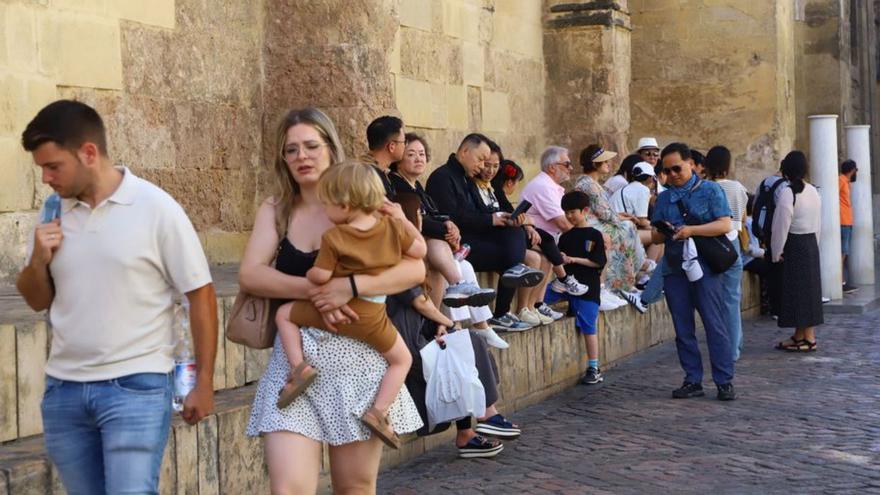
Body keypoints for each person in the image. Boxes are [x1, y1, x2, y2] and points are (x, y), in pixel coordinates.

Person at [16, 100, 217, 493]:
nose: (45, 178)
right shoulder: (51, 213)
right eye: (41, 168)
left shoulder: (156, 207)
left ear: (88, 153)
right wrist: (38, 261)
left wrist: (205, 381)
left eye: (53, 166)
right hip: (64, 391)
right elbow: (37, 299)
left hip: (136, 388)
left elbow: (202, 294)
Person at [243, 108, 424, 494]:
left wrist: (351, 286)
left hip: (358, 358)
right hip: (297, 362)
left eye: (311, 145)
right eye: (291, 150)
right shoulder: (277, 209)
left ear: (330, 148)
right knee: (288, 488)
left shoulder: (361, 199)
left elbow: (416, 270)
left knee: (354, 487)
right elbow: (251, 274)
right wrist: (315, 292)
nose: (301, 157)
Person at [273, 162, 425, 450]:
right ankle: (378, 412)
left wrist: (314, 276)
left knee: (284, 315)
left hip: (335, 311)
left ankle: (298, 369)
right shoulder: (392, 228)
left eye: (327, 203)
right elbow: (420, 250)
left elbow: (319, 276)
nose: (324, 209)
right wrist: (402, 219)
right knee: (401, 360)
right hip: (374, 318)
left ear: (344, 205)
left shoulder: (335, 237)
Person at [389, 133, 506, 347]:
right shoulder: (398, 185)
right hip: (412, 247)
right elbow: (417, 220)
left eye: (422, 154)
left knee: (465, 267)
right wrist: (446, 227)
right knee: (449, 264)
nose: (418, 159)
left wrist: (449, 225)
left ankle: (479, 326)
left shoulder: (416, 186)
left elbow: (434, 215)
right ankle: (453, 317)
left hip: (432, 246)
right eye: (411, 154)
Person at [426, 133, 544, 331]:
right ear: (464, 152)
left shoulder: (465, 178)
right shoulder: (443, 177)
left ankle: (512, 273)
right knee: (514, 249)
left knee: (515, 231)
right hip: (461, 245)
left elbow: (477, 211)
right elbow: (454, 217)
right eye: (481, 160)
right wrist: (491, 219)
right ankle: (511, 276)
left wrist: (502, 219)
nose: (483, 167)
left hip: (476, 239)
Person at [651, 142, 736, 401]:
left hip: (706, 267)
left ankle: (724, 380)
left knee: (714, 323)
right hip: (675, 268)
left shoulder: (710, 190)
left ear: (691, 163)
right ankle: (692, 379)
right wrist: (664, 230)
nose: (673, 175)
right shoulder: (664, 198)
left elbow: (724, 224)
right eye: (667, 171)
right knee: (683, 327)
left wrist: (691, 231)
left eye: (677, 168)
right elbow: (655, 237)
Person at [573, 144, 648, 313]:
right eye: (604, 161)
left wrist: (619, 216)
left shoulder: (591, 182)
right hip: (589, 225)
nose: (609, 163)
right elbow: (604, 212)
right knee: (627, 227)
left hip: (594, 222)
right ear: (595, 164)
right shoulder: (588, 184)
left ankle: (630, 275)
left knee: (626, 225)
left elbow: (603, 211)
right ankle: (633, 270)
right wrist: (619, 218)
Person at [544, 191, 607, 385]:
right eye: (566, 212)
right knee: (541, 298)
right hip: (565, 285)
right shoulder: (565, 236)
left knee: (589, 326)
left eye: (572, 212)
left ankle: (594, 367)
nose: (569, 216)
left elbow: (598, 263)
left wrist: (573, 259)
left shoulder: (595, 235)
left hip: (588, 288)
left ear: (585, 211)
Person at [520, 146, 589, 296]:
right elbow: (563, 223)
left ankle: (539, 303)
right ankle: (566, 283)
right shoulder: (543, 186)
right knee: (594, 243)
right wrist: (587, 235)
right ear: (552, 167)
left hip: (549, 238)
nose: (570, 168)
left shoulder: (550, 186)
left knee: (600, 240)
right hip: (539, 237)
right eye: (566, 164)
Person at [772, 151, 824, 352]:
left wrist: (777, 250)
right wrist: (815, 244)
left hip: (794, 243)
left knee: (798, 292)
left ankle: (809, 338)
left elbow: (781, 224)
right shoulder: (813, 190)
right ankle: (800, 335)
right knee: (806, 291)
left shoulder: (788, 192)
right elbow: (818, 221)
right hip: (810, 242)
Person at [704, 145, 748, 362]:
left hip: (711, 245)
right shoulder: (738, 188)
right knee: (732, 299)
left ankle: (723, 346)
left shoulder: (705, 188)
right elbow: (742, 218)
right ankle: (734, 347)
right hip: (733, 244)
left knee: (712, 300)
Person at [363, 115, 407, 197]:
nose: (405, 146)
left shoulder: (378, 171)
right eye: (404, 142)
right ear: (392, 147)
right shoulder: (369, 177)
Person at [839, 159, 859, 294]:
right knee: (842, 253)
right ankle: (840, 282)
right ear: (852, 170)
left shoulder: (845, 182)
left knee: (844, 253)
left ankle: (842, 281)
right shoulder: (841, 180)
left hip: (846, 220)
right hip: (843, 220)